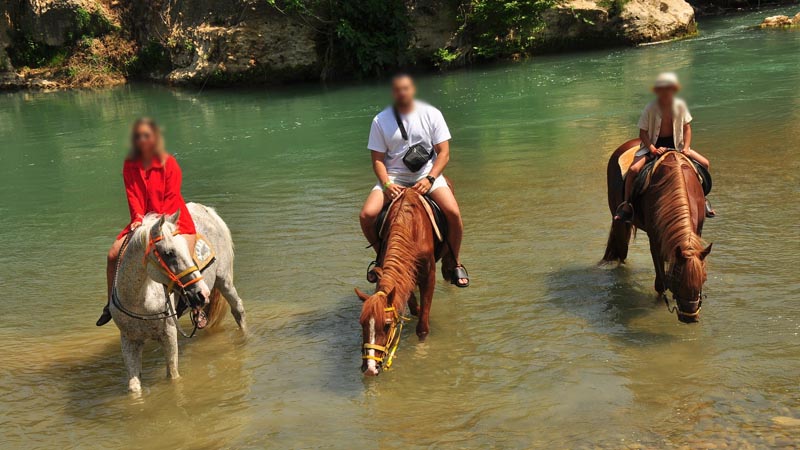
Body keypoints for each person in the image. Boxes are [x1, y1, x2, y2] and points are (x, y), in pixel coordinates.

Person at [359, 74, 469, 287]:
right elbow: (378, 162)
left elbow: (444, 153)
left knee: (453, 212)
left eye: (406, 89)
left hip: (426, 174)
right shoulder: (380, 120)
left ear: (413, 90)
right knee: (366, 215)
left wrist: (430, 179)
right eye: (397, 90)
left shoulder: (432, 114)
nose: (402, 93)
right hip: (394, 177)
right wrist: (387, 184)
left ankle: (454, 261)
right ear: (393, 93)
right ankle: (382, 257)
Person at [96, 118, 197, 326]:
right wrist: (137, 220)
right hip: (143, 222)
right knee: (113, 254)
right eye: (137, 136)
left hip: (172, 221)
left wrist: (159, 225)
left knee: (183, 257)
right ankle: (110, 304)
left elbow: (171, 198)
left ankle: (196, 305)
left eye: (146, 136)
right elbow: (132, 194)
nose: (142, 140)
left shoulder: (170, 163)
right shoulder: (130, 164)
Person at [614, 72, 715, 222]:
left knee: (705, 163)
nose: (666, 92)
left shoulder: (680, 106)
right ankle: (627, 205)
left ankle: (702, 199)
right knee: (633, 170)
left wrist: (686, 148)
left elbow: (687, 128)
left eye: (669, 89)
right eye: (663, 89)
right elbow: (643, 132)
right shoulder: (650, 108)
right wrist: (653, 149)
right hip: (654, 146)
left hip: (677, 146)